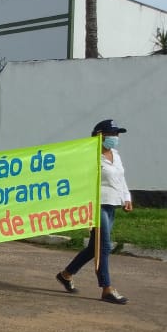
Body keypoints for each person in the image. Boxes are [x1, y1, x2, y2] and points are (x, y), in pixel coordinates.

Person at [56, 119, 132, 304]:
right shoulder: (89, 156)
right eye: (112, 134)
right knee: (104, 246)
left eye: (117, 134)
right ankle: (107, 288)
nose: (116, 137)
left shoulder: (115, 155)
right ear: (100, 136)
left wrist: (127, 197)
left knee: (93, 247)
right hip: (96, 205)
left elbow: (120, 178)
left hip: (111, 204)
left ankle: (66, 275)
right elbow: (80, 180)